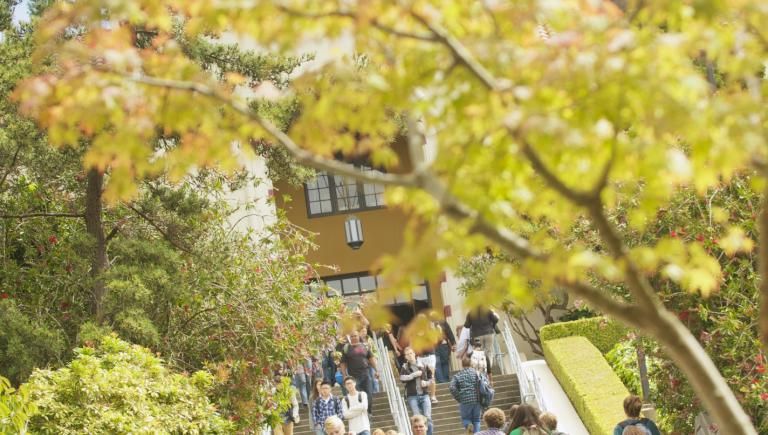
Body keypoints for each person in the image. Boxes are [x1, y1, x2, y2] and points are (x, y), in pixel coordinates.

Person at [341, 330, 378, 417]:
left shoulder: (365, 346)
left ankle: (369, 412)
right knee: (356, 395)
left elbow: (371, 358)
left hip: (366, 374)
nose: (354, 337)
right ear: (350, 337)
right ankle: (360, 413)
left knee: (369, 393)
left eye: (355, 336)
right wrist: (344, 375)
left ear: (359, 337)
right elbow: (343, 363)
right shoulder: (346, 348)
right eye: (352, 336)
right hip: (353, 377)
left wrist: (376, 370)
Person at [399, 347, 434, 435]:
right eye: (407, 354)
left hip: (425, 394)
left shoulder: (423, 364)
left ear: (414, 354)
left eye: (411, 353)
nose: (410, 356)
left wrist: (426, 383)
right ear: (405, 357)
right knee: (416, 419)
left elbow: (431, 378)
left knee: (428, 418)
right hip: (412, 396)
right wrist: (413, 375)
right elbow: (402, 378)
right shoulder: (405, 366)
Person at [464, 308, 499, 381]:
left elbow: (467, 325)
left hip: (477, 335)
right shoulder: (487, 309)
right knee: (489, 352)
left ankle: (482, 370)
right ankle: (488, 369)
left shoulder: (471, 312)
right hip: (489, 333)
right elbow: (495, 319)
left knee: (480, 353)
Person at [450, 356, 482, 434]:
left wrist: (459, 398)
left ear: (462, 364)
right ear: (471, 364)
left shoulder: (458, 375)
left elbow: (452, 387)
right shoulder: (476, 373)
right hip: (477, 399)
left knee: (465, 418)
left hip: (464, 400)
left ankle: (468, 425)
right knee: (477, 419)